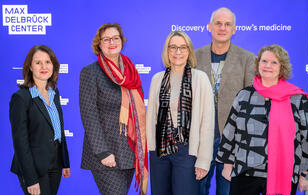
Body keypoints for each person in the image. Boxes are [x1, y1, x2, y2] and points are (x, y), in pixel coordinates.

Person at [216, 44, 308, 195]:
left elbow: (307, 137)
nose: (268, 66)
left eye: (274, 62)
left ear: (282, 67)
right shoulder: (244, 95)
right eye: (264, 61)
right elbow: (230, 131)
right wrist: (227, 165)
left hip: (283, 173)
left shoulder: (297, 98)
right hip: (244, 172)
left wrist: (307, 174)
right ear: (258, 64)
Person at [79, 23, 148, 195]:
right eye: (106, 39)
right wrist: (103, 152)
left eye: (115, 38)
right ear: (99, 44)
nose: (112, 42)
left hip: (129, 152)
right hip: (105, 153)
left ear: (122, 41)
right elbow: (89, 115)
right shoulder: (90, 72)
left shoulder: (131, 72)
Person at [195, 7, 255, 195]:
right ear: (209, 27)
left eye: (227, 24)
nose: (222, 28)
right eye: (218, 23)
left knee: (228, 191)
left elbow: (251, 103)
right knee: (197, 190)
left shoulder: (247, 59)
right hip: (200, 138)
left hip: (232, 141)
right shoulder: (194, 57)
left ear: (234, 29)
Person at [146, 30, 215, 195]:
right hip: (159, 150)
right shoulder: (157, 79)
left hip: (186, 150)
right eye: (173, 47)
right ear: (167, 51)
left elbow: (207, 122)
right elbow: (151, 118)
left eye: (183, 47)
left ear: (189, 51)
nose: (178, 52)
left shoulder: (200, 78)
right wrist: (150, 150)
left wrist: (204, 160)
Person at [9, 45, 70, 195]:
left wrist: (64, 161)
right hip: (34, 167)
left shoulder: (54, 93)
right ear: (30, 67)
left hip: (55, 164)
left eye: (48, 62)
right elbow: (20, 143)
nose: (44, 66)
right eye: (38, 63)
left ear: (53, 66)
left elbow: (59, 130)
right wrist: (30, 178)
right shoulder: (21, 98)